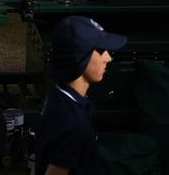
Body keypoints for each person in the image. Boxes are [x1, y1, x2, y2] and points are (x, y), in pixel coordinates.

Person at [35, 15, 127, 175]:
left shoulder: (58, 98)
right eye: (100, 50)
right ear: (80, 57)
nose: (108, 58)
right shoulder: (73, 124)